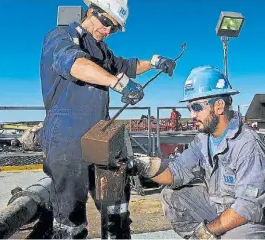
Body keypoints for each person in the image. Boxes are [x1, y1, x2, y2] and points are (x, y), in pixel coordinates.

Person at [39, 0, 176, 238]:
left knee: (116, 210)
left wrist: (154, 63)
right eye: (106, 23)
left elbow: (125, 66)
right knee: (71, 219)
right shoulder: (61, 36)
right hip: (67, 140)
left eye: (113, 29)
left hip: (102, 138)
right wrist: (118, 83)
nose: (108, 31)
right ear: (92, 12)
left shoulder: (101, 50)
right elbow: (74, 63)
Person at [131, 66, 265, 239]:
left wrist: (208, 231)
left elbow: (249, 206)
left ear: (218, 106)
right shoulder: (203, 139)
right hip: (219, 204)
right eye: (189, 108)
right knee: (171, 196)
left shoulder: (247, 145)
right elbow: (176, 173)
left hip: (256, 217)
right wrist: (142, 167)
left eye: (196, 107)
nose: (191, 115)